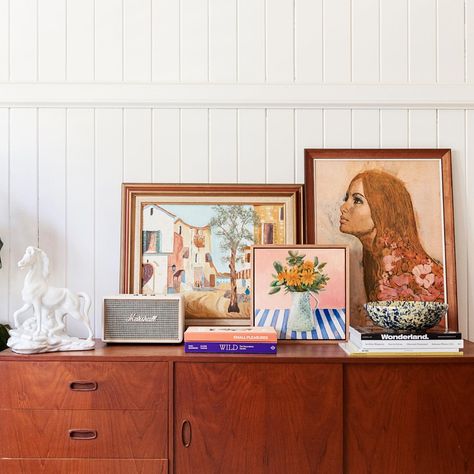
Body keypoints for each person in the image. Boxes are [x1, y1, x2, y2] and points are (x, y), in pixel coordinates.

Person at [339, 169, 444, 309]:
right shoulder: (376, 259)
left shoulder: (407, 268)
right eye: (346, 198)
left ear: (382, 210)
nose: (343, 207)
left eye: (357, 200)